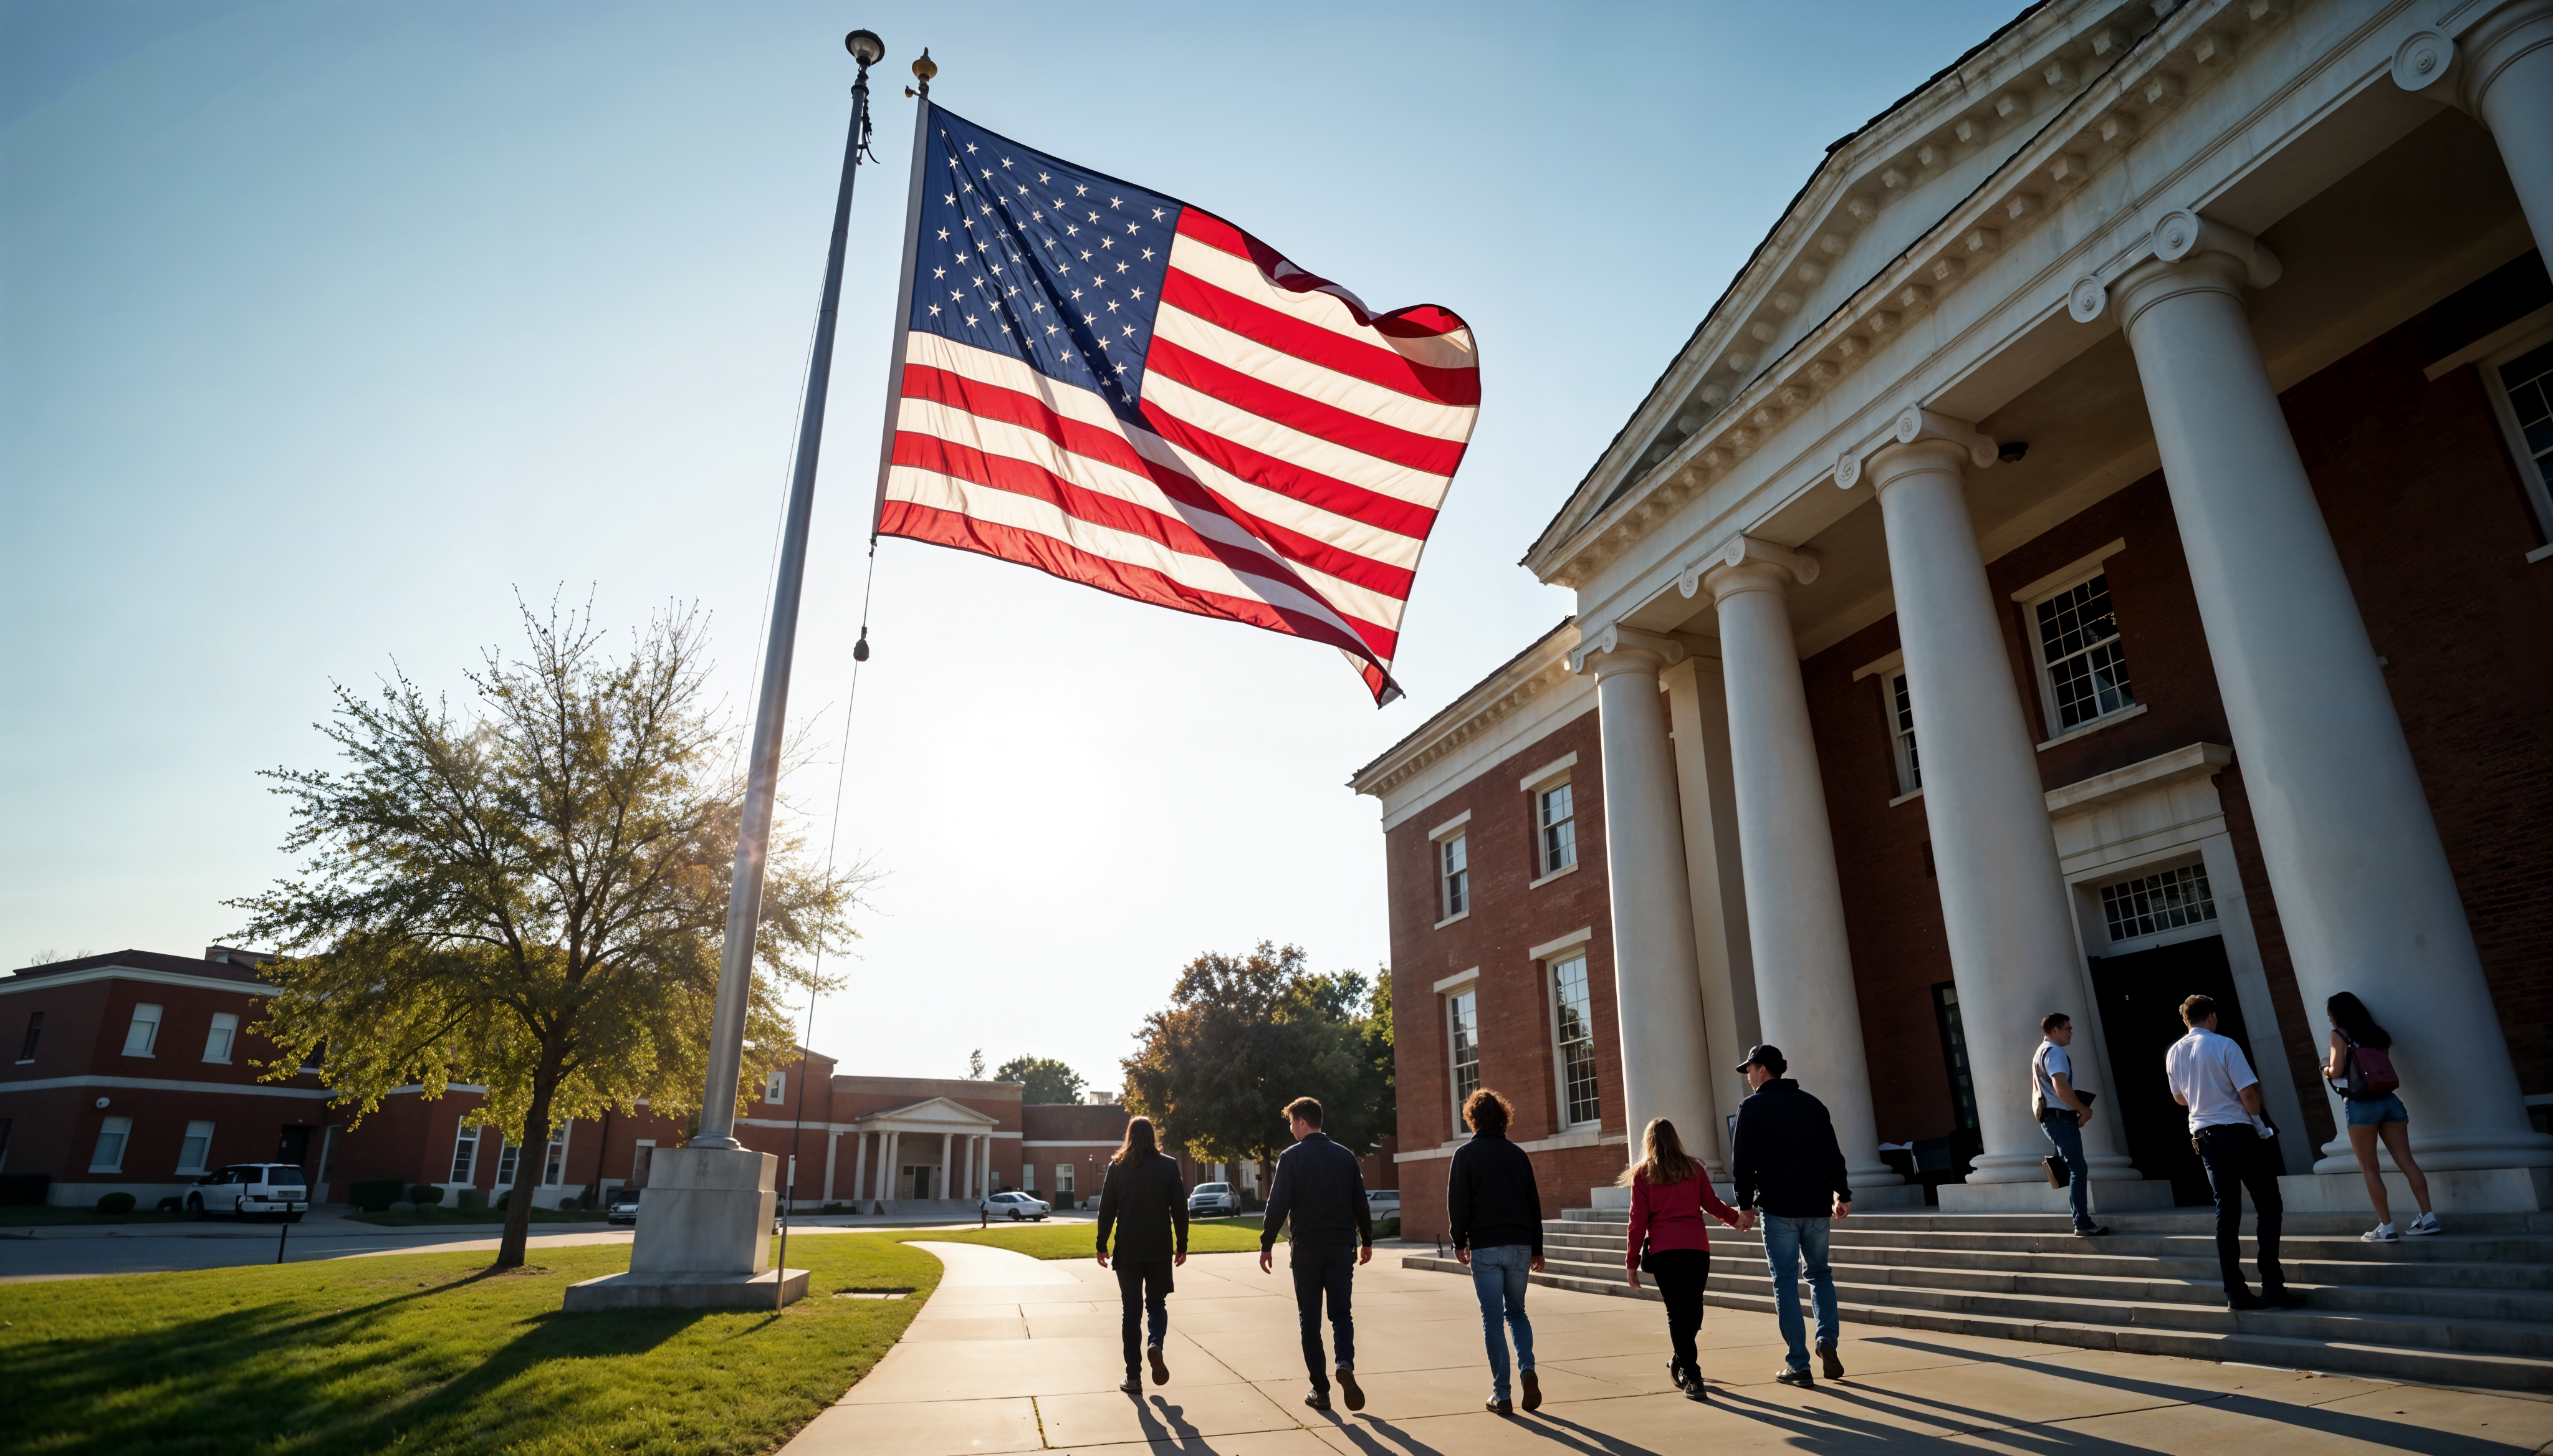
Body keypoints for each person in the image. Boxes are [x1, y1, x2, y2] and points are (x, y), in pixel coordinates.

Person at [2164, 994, 2304, 1311]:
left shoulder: (2174, 1052)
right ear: (2211, 1016)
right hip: (2237, 1131)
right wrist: (2259, 1126)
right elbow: (2248, 1094)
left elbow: (2180, 1099)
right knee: (2268, 1205)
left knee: (2226, 1214)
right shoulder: (2224, 1045)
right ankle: (2272, 1285)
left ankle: (2235, 1292)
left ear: (2187, 1020)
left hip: (2204, 1136)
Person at [1729, 1044, 1851, 1389]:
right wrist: (1842, 1194)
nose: (1748, 1077)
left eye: (1750, 1070)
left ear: (1763, 1070)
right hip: (1816, 1207)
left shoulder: (1751, 1108)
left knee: (1785, 1281)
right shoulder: (1812, 1104)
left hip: (1779, 1207)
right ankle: (1827, 1339)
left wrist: (1745, 1205)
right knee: (1820, 1275)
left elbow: (1743, 1165)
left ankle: (1799, 1363)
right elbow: (1833, 1154)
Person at [1258, 1096, 1374, 1414]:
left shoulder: (1291, 1158)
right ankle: (1345, 1363)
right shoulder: (1346, 1157)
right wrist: (1367, 1239)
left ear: (1303, 1122)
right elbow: (1359, 1202)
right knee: (1341, 1314)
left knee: (1309, 1321)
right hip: (1340, 1249)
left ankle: (1320, 1391)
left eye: (1293, 1123)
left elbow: (1278, 1203)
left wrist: (1267, 1243)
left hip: (1307, 1250)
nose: (1292, 1130)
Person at [1621, 1117, 1748, 1402]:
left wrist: (1631, 1263)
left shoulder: (1644, 1175)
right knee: (1692, 1309)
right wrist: (1735, 1219)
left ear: (1649, 1142)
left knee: (1680, 1313)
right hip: (1696, 1249)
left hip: (1666, 1252)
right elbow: (1712, 1204)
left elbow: (1637, 1221)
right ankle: (1690, 1369)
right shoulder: (1694, 1168)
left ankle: (1687, 1367)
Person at [1447, 1088, 1546, 1415]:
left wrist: (1459, 1242)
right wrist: (1538, 1249)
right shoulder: (1518, 1155)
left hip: (1486, 1246)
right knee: (1517, 1312)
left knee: (1492, 1317)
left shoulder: (1465, 1155)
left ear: (1472, 1119)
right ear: (1503, 1116)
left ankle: (1501, 1394)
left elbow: (1458, 1204)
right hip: (1520, 1245)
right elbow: (1533, 1204)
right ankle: (1527, 1368)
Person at [2324, 991, 2441, 1242]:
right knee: (2407, 1161)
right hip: (2390, 1101)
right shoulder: (2378, 1035)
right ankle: (2428, 1217)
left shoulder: (2339, 1035)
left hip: (2361, 1105)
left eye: (2330, 1015)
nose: (2330, 1020)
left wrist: (2325, 1069)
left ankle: (2386, 1228)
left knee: (2370, 1168)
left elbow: (2337, 1071)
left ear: (2337, 1015)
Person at [1094, 1116, 1189, 1394]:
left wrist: (1102, 1244)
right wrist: (1181, 1244)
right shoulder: (1169, 1166)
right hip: (1159, 1248)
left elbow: (1106, 1210)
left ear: (1129, 1136)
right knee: (1157, 1304)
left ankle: (1133, 1378)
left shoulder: (1117, 1167)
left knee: (1131, 1311)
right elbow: (1180, 1210)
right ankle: (1155, 1344)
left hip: (1129, 1249)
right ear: (1153, 1137)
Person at [2033, 1013, 2109, 1237]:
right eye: (2067, 1028)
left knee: (2074, 1168)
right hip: (2060, 1118)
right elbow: (2060, 1086)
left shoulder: (2041, 1051)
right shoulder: (2055, 1052)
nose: (2071, 1031)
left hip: (2053, 1118)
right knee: (2078, 1169)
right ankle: (2083, 1224)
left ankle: (2081, 1221)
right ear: (2054, 1031)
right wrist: (2083, 1109)